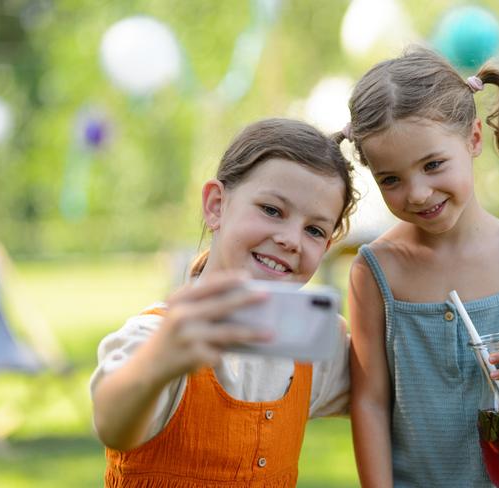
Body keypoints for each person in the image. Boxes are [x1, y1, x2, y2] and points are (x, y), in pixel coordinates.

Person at [341, 46, 499, 487]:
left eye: (433, 165)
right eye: (390, 179)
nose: (416, 193)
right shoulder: (374, 272)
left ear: (472, 139)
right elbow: (370, 402)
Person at [90, 118, 358, 487]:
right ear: (216, 205)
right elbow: (111, 422)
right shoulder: (158, 334)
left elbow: (406, 391)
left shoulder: (313, 350)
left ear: (327, 247)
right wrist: (160, 362)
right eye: (272, 210)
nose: (291, 239)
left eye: (314, 230)